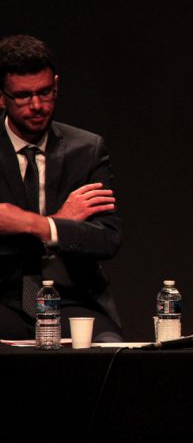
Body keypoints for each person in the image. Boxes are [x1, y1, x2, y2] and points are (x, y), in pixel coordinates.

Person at [0, 34, 123, 341]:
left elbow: (107, 239)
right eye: (23, 96)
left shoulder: (87, 149)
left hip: (71, 299)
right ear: (1, 96)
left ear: (56, 84)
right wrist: (61, 224)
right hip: (4, 298)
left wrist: (38, 224)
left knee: (112, 355)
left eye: (45, 92)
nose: (37, 105)